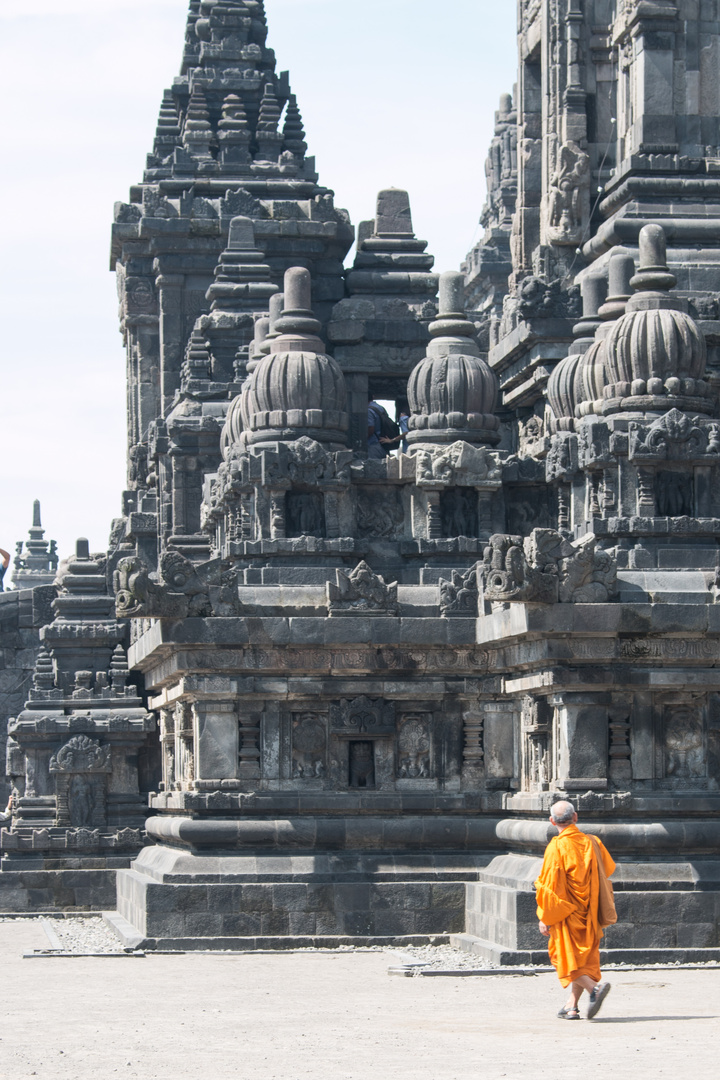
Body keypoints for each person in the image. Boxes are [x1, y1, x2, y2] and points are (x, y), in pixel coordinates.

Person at [535, 799, 615, 1020]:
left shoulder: (556, 847)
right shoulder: (593, 842)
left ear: (552, 821)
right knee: (581, 959)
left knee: (562, 958)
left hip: (565, 913)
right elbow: (608, 869)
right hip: (589, 912)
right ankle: (571, 1006)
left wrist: (545, 915)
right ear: (575, 817)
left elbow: (550, 887)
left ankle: (594, 989)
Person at [367, 396, 394, 460]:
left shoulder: (369, 410)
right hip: (384, 444)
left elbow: (371, 428)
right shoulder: (380, 408)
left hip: (373, 443)